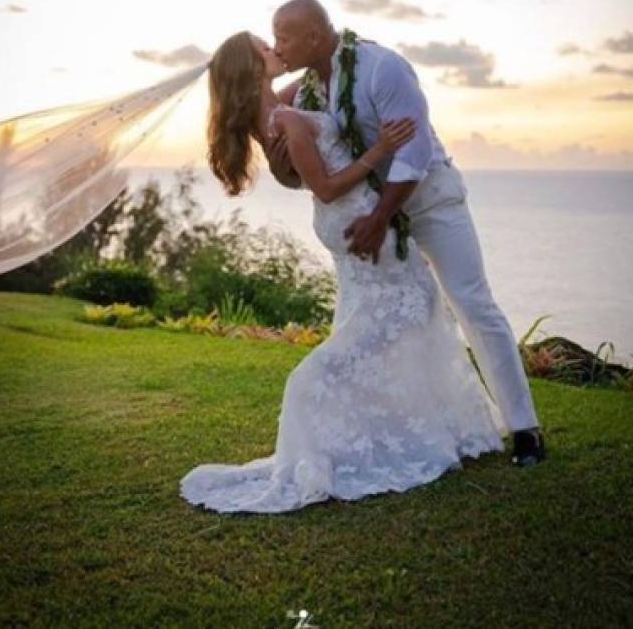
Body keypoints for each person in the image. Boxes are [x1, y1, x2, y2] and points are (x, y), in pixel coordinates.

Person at [179, 30, 509, 514]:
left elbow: (321, 81)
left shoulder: (277, 103)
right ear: (252, 70)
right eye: (264, 48)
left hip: (348, 221)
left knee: (406, 313)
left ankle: (418, 426)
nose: (275, 49)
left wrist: (338, 50)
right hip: (352, 215)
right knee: (403, 315)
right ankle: (407, 433)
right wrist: (379, 153)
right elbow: (328, 187)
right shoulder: (285, 116)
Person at [266, 0, 546, 468]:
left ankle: (524, 428)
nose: (278, 46)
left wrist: (380, 220)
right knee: (379, 317)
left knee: (472, 303)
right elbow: (280, 131)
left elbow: (413, 154)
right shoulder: (307, 90)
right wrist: (281, 162)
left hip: (431, 202)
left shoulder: (382, 67)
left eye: (284, 37)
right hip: (373, 213)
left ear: (314, 35)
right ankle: (398, 428)